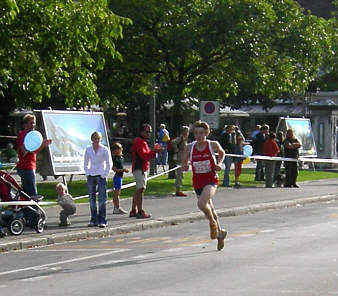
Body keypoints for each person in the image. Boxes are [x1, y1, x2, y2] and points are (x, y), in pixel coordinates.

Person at [182, 120, 227, 251]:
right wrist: (185, 165)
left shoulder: (212, 144)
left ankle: (212, 223)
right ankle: (220, 233)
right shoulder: (190, 147)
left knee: (201, 204)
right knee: (210, 209)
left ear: (207, 133)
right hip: (198, 181)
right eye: (196, 133)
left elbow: (222, 152)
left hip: (211, 180)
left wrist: (219, 163)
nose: (199, 136)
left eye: (201, 133)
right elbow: (185, 160)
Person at [130, 124, 162, 219]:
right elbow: (144, 155)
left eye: (150, 132)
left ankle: (133, 210)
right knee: (140, 190)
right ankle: (140, 211)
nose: (149, 134)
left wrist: (153, 152)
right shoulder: (139, 141)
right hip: (139, 168)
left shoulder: (142, 141)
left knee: (139, 189)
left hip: (141, 168)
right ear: (141, 132)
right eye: (147, 132)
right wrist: (155, 151)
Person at [16, 114, 51, 197]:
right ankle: (32, 209)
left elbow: (34, 152)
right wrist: (40, 145)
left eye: (34, 123)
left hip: (30, 166)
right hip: (25, 167)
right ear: (25, 124)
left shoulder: (33, 135)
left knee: (26, 192)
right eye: (31, 123)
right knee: (32, 193)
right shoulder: (23, 135)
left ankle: (25, 208)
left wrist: (43, 145)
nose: (33, 125)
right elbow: (25, 151)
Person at [84, 131, 112, 228]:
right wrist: (87, 173)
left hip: (101, 175)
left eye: (98, 139)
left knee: (102, 199)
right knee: (92, 199)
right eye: (95, 138)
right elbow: (86, 163)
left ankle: (102, 220)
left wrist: (104, 174)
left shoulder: (104, 149)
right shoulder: (88, 150)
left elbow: (109, 163)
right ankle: (93, 219)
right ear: (92, 139)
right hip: (91, 175)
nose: (96, 140)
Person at [170, 125, 190, 196]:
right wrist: (177, 150)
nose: (187, 133)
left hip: (183, 158)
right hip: (179, 158)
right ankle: (178, 190)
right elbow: (173, 142)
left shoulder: (185, 139)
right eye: (186, 131)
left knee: (181, 174)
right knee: (179, 174)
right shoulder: (180, 138)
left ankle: (179, 189)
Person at [111, 142, 128, 214]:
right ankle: (116, 207)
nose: (121, 150)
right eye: (119, 149)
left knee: (118, 193)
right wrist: (123, 170)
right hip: (117, 177)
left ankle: (117, 207)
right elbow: (115, 169)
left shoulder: (120, 157)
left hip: (120, 177)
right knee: (116, 193)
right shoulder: (115, 159)